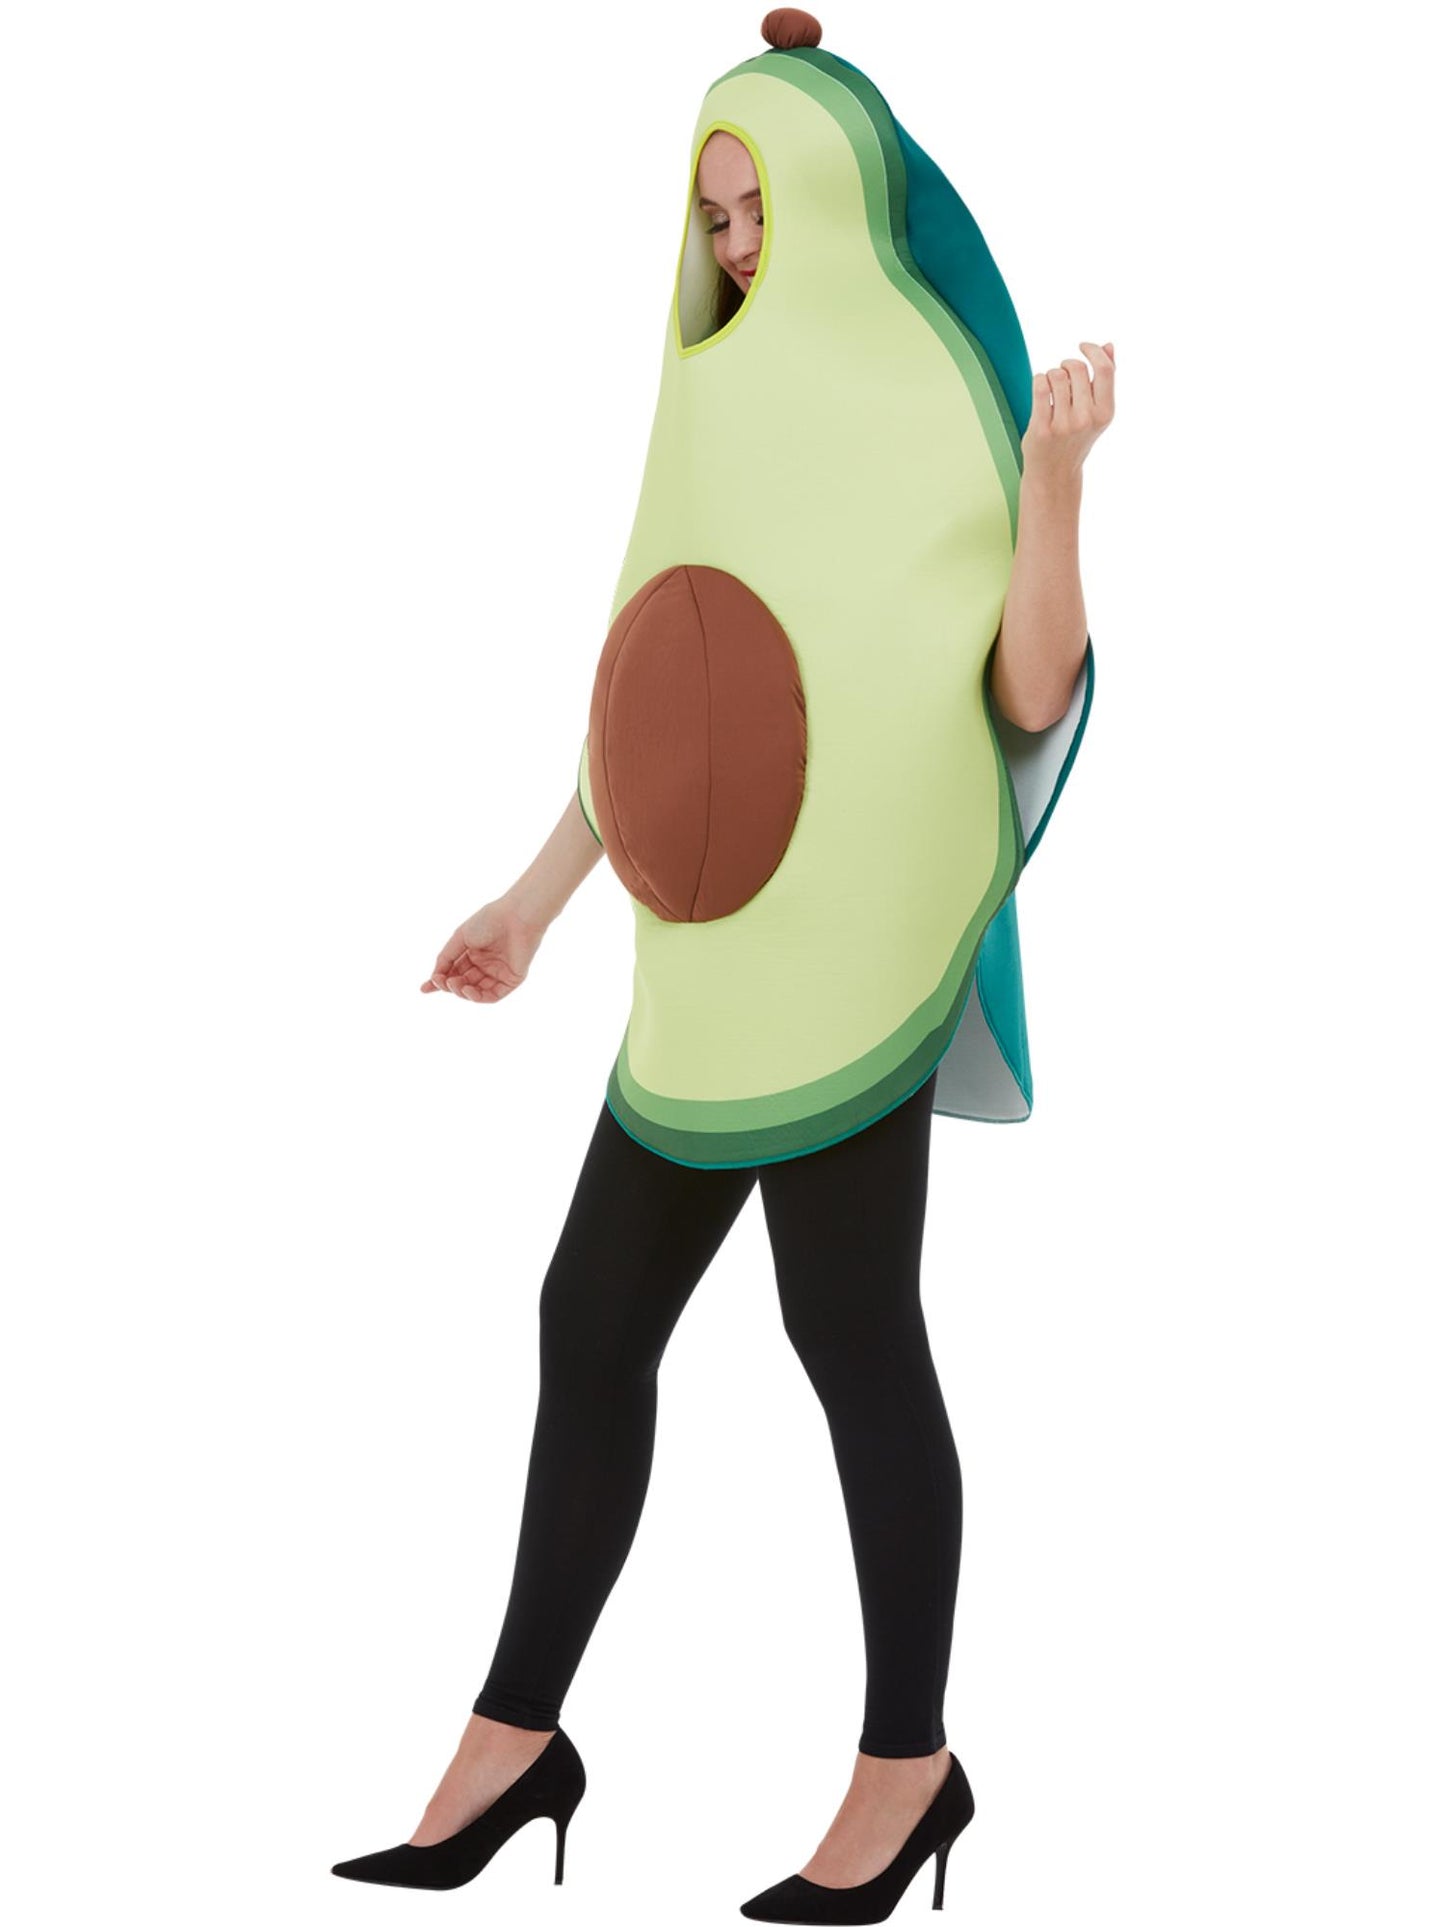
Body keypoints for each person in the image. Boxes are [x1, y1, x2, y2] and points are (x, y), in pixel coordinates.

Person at [333, 13, 1113, 1921]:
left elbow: (1022, 695)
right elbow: (669, 696)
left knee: (848, 1338)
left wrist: (1054, 487)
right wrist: (533, 902)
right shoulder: (708, 408)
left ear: (844, 204)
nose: (738, 248)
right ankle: (515, 1742)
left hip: (849, 950)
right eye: (712, 217)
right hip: (706, 962)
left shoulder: (931, 413)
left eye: (764, 208)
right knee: (589, 1322)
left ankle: (907, 1769)